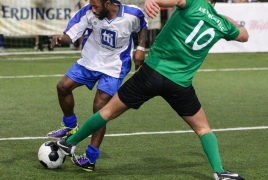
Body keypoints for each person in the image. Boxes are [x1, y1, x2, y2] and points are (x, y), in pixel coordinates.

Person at [55, 0, 248, 179]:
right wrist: (228, 21)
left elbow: (165, 1)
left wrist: (151, 2)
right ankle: (220, 172)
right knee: (203, 128)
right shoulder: (223, 24)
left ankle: (68, 143)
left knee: (105, 111)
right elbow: (244, 35)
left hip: (151, 74)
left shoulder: (193, 3)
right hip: (179, 84)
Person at [47, 0, 147, 172]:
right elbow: (71, 34)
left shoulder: (132, 14)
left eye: (95, 6)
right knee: (63, 86)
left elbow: (143, 26)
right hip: (90, 60)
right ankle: (71, 127)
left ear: (108, 4)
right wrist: (60, 39)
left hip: (115, 66)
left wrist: (140, 48)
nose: (92, 9)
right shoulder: (89, 12)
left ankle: (91, 158)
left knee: (100, 109)